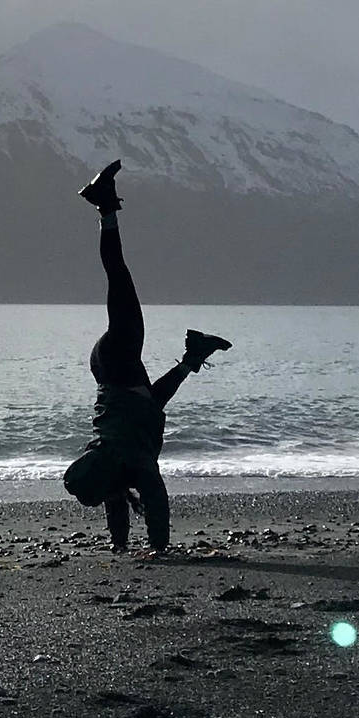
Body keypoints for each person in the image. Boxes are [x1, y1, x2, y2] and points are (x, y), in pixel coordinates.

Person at [62, 159, 231, 555]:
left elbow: (156, 499)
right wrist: (120, 546)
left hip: (118, 364)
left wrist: (159, 548)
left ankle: (103, 206)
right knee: (150, 401)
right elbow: (148, 406)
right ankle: (195, 353)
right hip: (109, 375)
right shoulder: (109, 462)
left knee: (119, 277)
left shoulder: (129, 465)